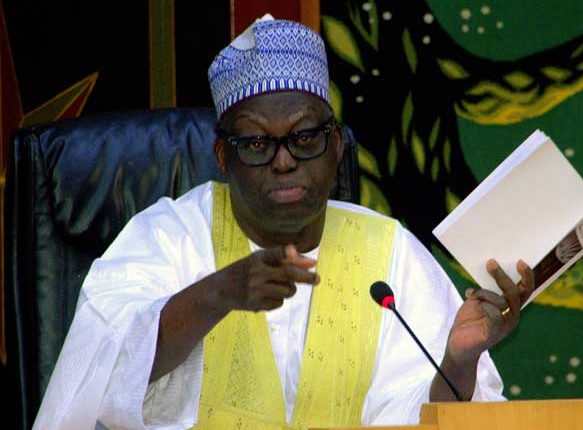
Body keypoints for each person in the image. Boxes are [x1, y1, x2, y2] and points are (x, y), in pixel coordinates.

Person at [33, 15, 534, 430]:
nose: (284, 160)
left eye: (305, 137)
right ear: (223, 157)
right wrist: (220, 292)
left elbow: (424, 418)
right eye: (256, 142)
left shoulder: (391, 255)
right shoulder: (166, 237)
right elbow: (101, 379)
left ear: (336, 147)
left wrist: (458, 364)